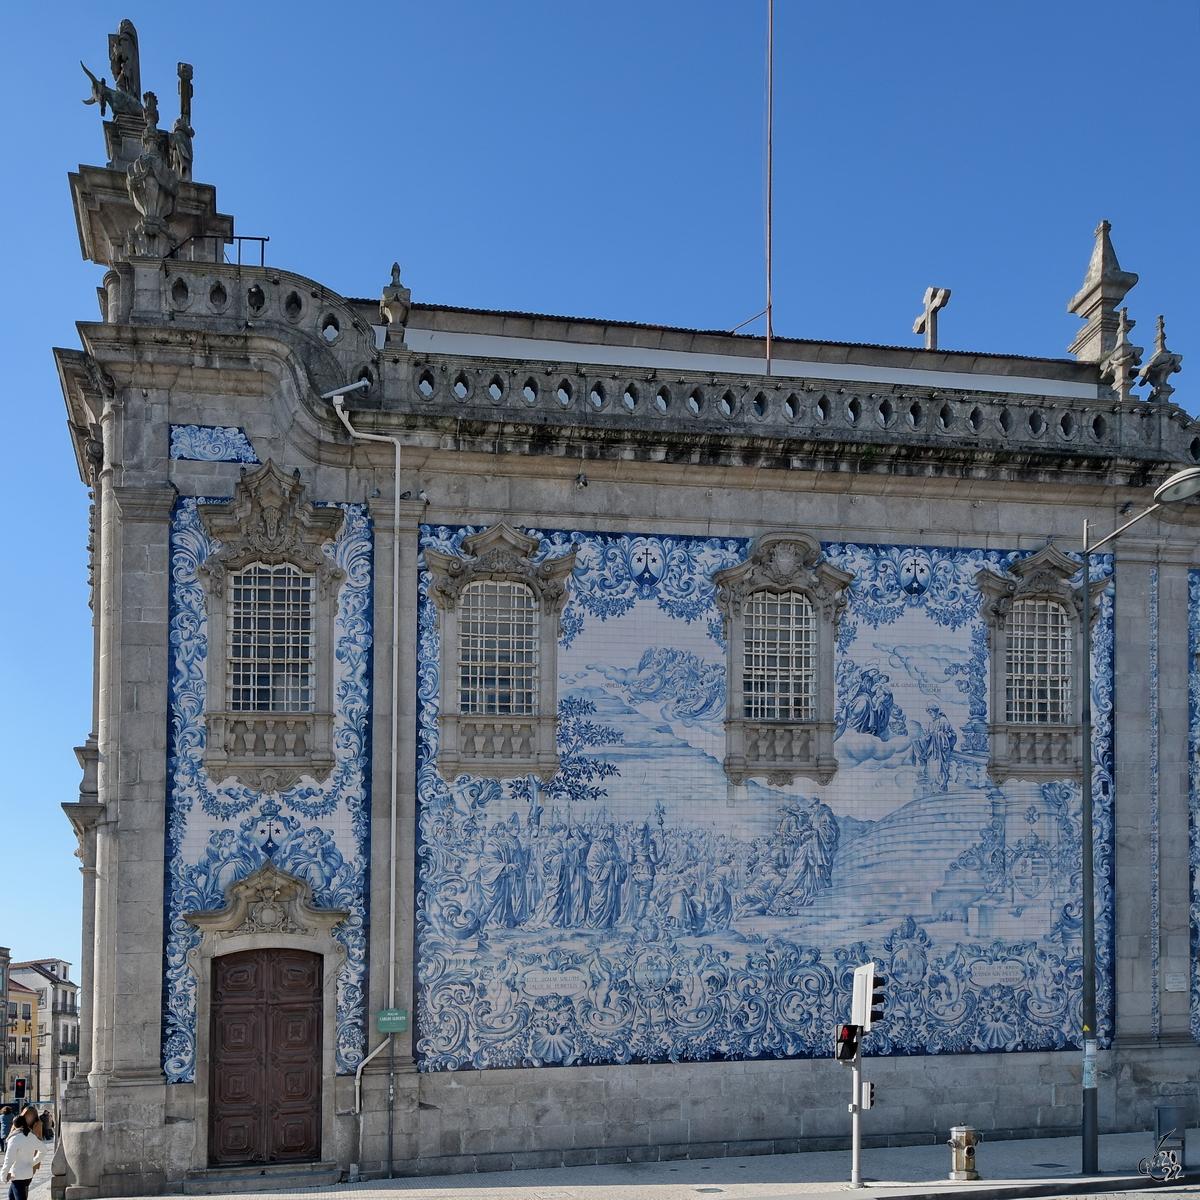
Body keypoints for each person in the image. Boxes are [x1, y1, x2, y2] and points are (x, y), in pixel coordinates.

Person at [2, 1110, 41, 1200]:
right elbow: (44, 1149)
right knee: (11, 1196)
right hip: (27, 1171)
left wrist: (3, 1174)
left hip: (17, 1173)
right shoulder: (31, 1136)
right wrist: (34, 1161)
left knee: (19, 1197)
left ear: (14, 1125)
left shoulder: (14, 1138)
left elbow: (9, 1158)